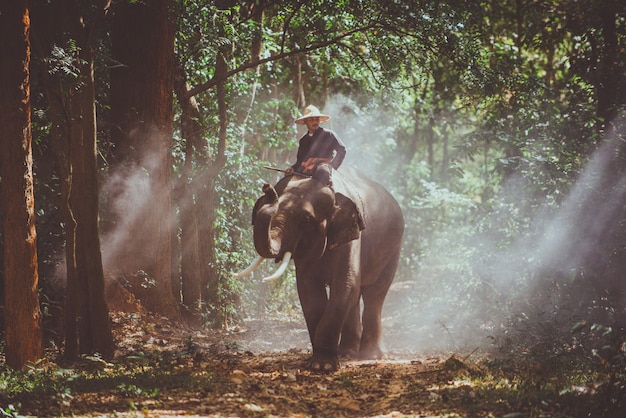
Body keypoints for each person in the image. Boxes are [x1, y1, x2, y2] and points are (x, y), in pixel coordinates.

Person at [285, 105, 346, 186]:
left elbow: (342, 150)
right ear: (306, 121)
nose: (315, 122)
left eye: (316, 119)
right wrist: (293, 168)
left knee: (323, 173)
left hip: (323, 165)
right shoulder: (303, 140)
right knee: (287, 178)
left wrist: (333, 165)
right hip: (306, 167)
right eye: (311, 119)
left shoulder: (329, 134)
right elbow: (300, 161)